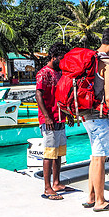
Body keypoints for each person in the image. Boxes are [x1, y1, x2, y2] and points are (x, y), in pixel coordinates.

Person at [82, 26, 109, 212]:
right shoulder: (108, 62)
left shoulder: (91, 58)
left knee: (94, 156)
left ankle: (91, 196)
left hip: (85, 115)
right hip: (100, 116)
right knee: (100, 157)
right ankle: (100, 202)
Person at [35, 42, 73, 200]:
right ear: (53, 57)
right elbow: (38, 95)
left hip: (60, 117)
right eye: (61, 58)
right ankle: (47, 187)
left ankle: (56, 182)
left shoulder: (60, 73)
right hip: (48, 118)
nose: (62, 61)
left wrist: (68, 114)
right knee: (49, 153)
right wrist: (47, 116)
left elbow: (63, 96)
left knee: (58, 152)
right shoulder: (43, 73)